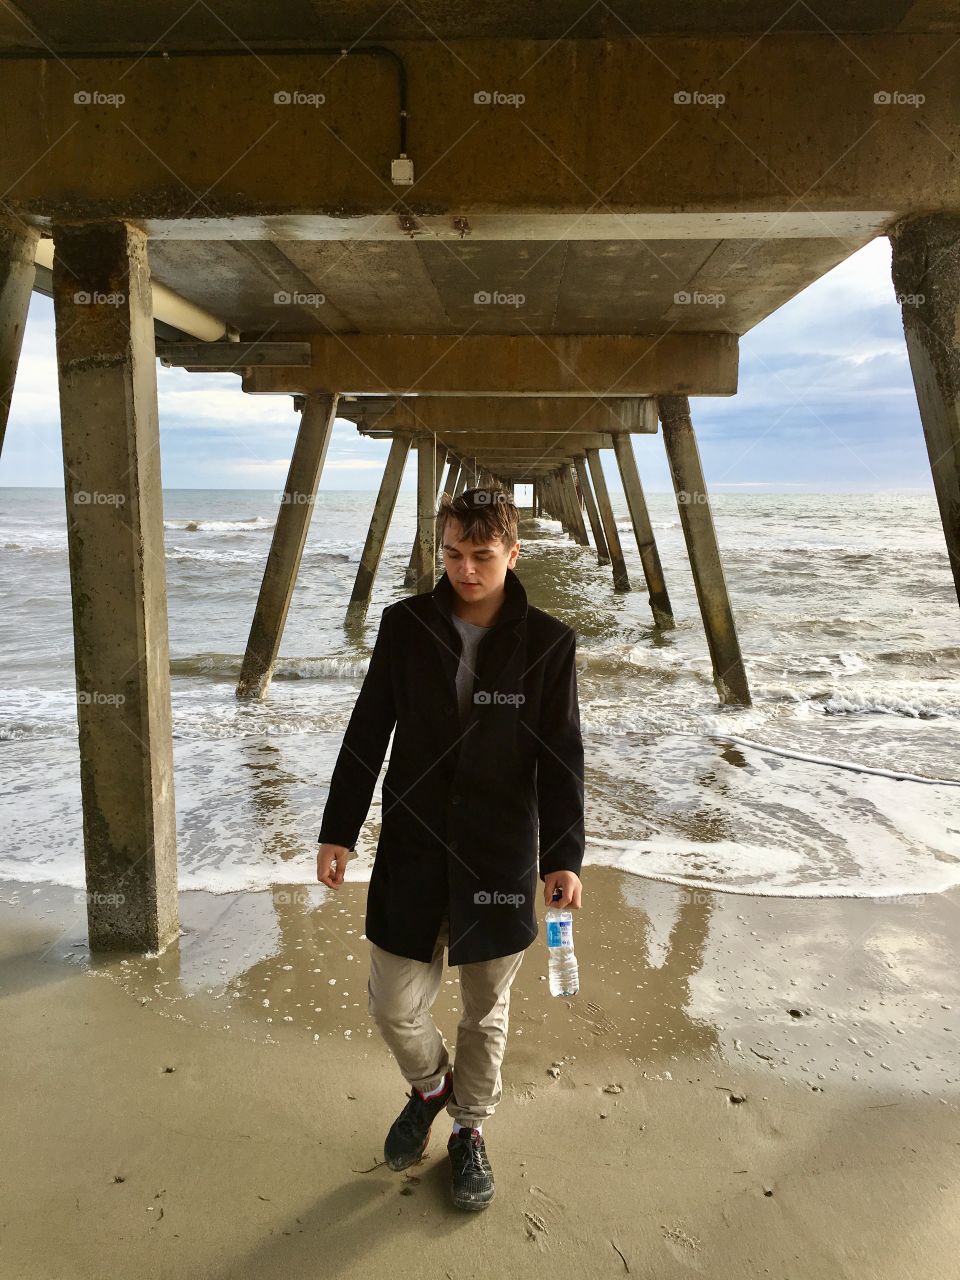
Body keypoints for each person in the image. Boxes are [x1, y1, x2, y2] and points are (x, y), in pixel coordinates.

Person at [317, 485, 584, 1211]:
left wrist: (565, 856)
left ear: (514, 552)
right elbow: (368, 730)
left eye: (482, 555)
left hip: (499, 854)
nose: (465, 570)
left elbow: (560, 756)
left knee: (484, 1013)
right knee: (392, 1004)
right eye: (453, 554)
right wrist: (338, 829)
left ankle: (469, 1130)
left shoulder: (550, 644)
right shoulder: (406, 627)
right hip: (413, 848)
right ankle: (431, 1087)